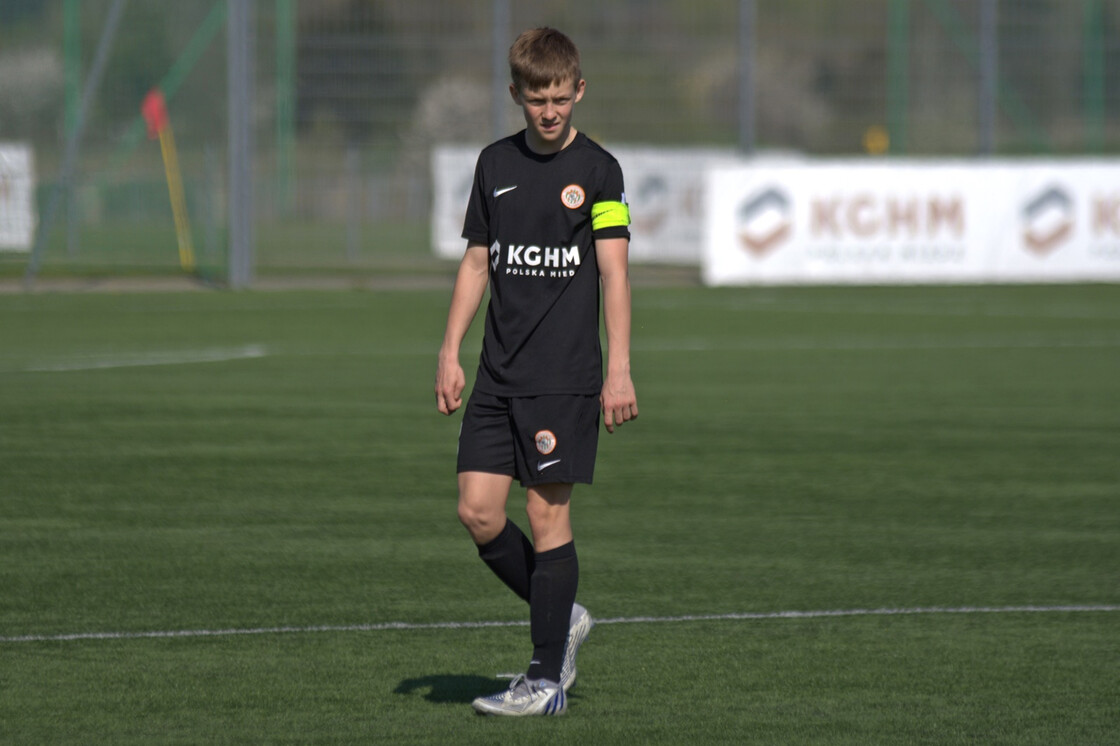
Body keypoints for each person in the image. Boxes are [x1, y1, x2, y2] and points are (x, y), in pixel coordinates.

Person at [434, 26, 638, 717]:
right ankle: (563, 614)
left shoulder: (602, 171)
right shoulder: (493, 165)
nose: (549, 110)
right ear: (516, 94)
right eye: (536, 98)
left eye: (560, 97)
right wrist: (449, 350)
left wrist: (620, 369)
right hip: (497, 375)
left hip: (566, 376)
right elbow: (475, 262)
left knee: (547, 518)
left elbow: (614, 271)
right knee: (477, 511)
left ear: (578, 90)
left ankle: (545, 681)